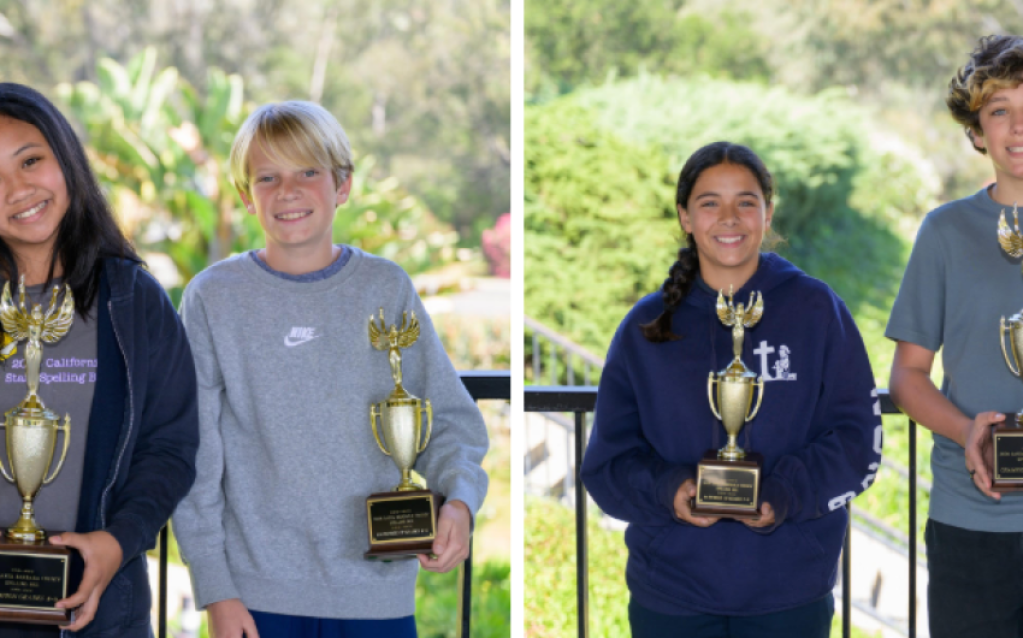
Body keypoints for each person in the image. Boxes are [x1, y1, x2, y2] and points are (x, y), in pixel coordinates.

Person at [171, 101, 489, 638]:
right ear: (247, 197)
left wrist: (459, 500)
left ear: (342, 185)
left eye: (308, 172)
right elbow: (195, 455)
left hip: (377, 596)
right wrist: (216, 589)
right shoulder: (212, 299)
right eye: (267, 177)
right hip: (254, 598)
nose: (287, 191)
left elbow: (451, 420)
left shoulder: (386, 288)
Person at [580, 141, 883, 638]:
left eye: (746, 201)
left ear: (767, 213)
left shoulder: (815, 310)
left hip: (790, 595)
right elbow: (608, 464)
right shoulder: (646, 327)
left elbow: (857, 441)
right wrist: (668, 490)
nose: (729, 217)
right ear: (684, 217)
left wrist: (784, 492)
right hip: (671, 596)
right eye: (709, 202)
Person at [0, 82, 199, 637]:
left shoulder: (133, 300)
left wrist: (118, 541)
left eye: (30, 161)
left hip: (102, 609)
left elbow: (171, 446)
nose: (16, 190)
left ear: (65, 159)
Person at [887, 34, 1023, 638]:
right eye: (1001, 111)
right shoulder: (943, 233)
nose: (1018, 128)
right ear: (976, 131)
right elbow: (908, 376)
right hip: (972, 525)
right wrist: (969, 429)